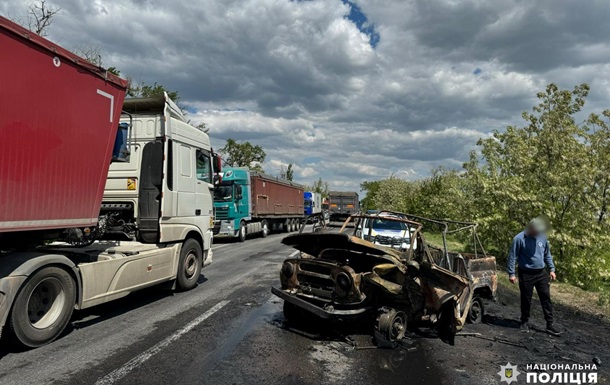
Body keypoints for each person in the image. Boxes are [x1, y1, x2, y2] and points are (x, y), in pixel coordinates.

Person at [507, 218, 561, 336]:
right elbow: (512, 256)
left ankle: (549, 324)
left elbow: (547, 254)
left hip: (541, 273)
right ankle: (524, 321)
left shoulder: (542, 237)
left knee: (546, 298)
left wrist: (552, 269)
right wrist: (511, 273)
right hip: (526, 273)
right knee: (526, 298)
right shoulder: (519, 239)